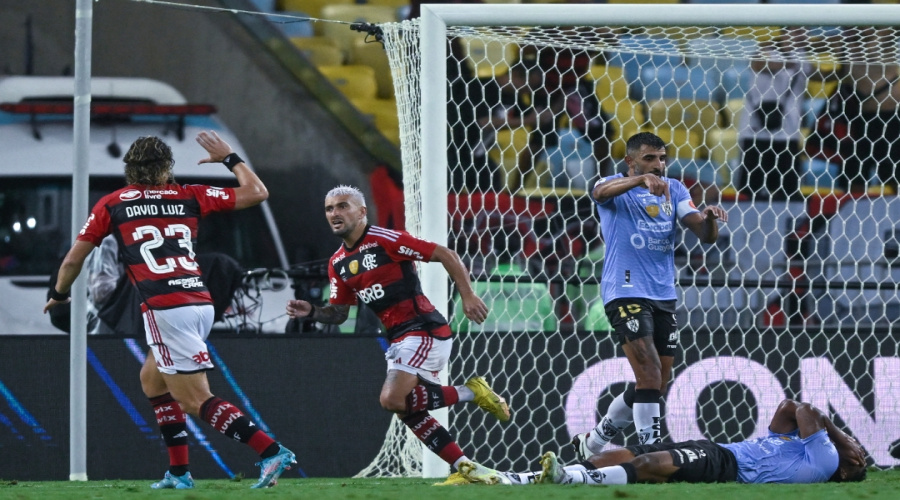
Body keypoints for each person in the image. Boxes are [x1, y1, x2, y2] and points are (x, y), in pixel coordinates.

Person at [43, 133, 295, 489]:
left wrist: (59, 294)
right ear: (167, 169)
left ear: (129, 170)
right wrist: (230, 158)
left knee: (194, 400)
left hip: (164, 309)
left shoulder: (114, 204)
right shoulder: (189, 195)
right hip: (200, 303)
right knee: (152, 379)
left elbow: (73, 260)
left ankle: (270, 451)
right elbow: (257, 192)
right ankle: (179, 473)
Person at [285, 185, 510, 474]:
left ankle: (471, 391)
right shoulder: (337, 263)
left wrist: (467, 295)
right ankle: (465, 467)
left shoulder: (385, 240)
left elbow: (445, 253)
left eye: (343, 206)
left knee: (392, 399)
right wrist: (313, 311)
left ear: (362, 212)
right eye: (329, 209)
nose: (334, 213)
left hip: (423, 329)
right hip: (399, 338)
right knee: (408, 410)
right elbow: (340, 314)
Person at [571, 132, 728, 459]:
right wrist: (640, 180)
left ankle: (594, 443)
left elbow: (703, 232)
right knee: (651, 374)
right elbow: (598, 192)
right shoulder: (615, 185)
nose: (658, 166)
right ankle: (651, 452)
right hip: (624, 290)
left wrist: (710, 220)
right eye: (649, 159)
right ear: (630, 161)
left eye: (661, 159)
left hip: (663, 294)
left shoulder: (676, 189)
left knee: (654, 383)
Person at [457, 399, 868, 486]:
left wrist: (840, 436)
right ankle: (519, 479)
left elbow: (807, 410)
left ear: (846, 466)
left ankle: (566, 480)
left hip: (728, 466)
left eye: (858, 454)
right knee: (620, 457)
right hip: (717, 449)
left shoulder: (826, 459)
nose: (856, 447)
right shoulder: (800, 448)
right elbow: (787, 408)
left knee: (650, 460)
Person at [736, 28, 825, 200]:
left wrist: (843, 71)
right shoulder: (765, 50)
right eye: (797, 33)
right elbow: (761, 65)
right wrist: (792, 58)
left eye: (803, 33)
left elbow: (817, 76)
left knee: (788, 191)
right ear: (785, 34)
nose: (802, 37)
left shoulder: (801, 56)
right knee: (750, 190)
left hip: (788, 133)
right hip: (755, 132)